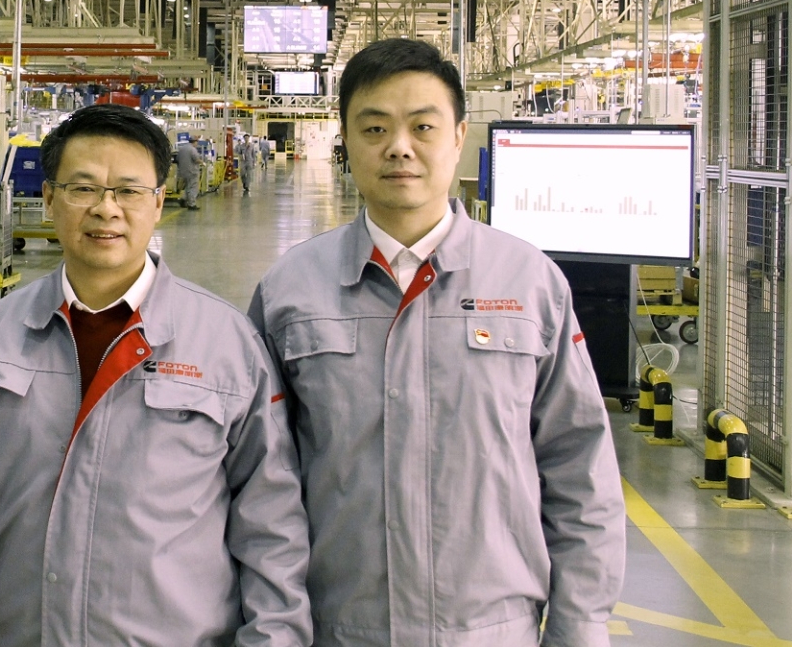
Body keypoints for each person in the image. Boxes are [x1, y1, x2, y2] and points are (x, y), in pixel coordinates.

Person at [248, 38, 624, 647]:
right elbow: (262, 482)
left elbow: (579, 467)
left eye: (423, 126)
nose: (399, 147)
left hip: (492, 631)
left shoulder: (530, 284)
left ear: (458, 136)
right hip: (336, 626)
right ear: (345, 140)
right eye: (374, 128)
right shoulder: (292, 290)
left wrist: (580, 627)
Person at [0, 104, 311, 647]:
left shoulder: (226, 345)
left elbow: (271, 523)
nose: (107, 210)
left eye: (128, 190)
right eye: (83, 189)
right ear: (50, 198)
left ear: (157, 199)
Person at [174, 132, 203, 210]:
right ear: (195, 142)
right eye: (197, 142)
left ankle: (183, 200)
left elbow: (177, 159)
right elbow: (196, 159)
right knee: (193, 188)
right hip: (192, 172)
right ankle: (192, 204)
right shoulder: (192, 149)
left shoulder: (182, 148)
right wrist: (202, 163)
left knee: (187, 187)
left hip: (183, 172)